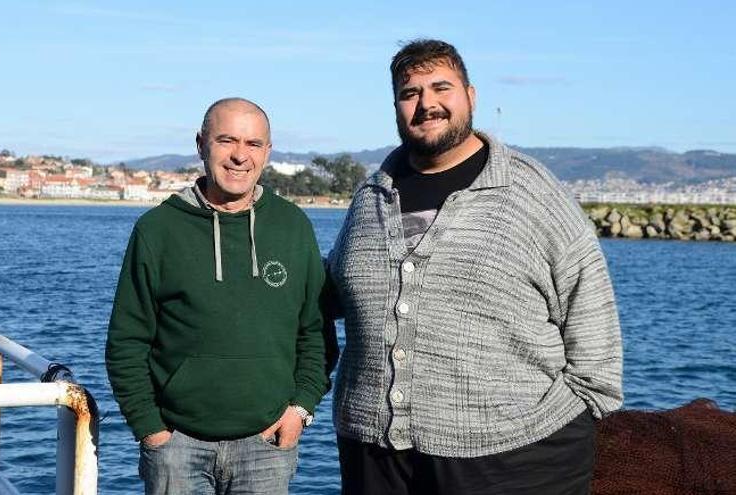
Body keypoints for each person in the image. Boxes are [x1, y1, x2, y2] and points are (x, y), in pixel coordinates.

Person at [325, 39, 623, 494]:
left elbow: (591, 319)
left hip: (514, 461)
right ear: (396, 106)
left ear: (471, 95)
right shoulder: (372, 195)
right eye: (411, 93)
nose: (427, 104)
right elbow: (333, 295)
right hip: (374, 456)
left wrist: (570, 420)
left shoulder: (531, 192)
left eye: (441, 87)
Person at [106, 97, 333, 494]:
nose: (240, 157)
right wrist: (150, 429)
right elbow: (127, 341)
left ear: (267, 152)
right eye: (227, 141)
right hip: (176, 448)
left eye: (253, 144)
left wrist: (301, 409)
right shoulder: (157, 230)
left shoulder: (292, 226)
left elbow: (315, 331)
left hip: (267, 447)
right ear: (201, 145)